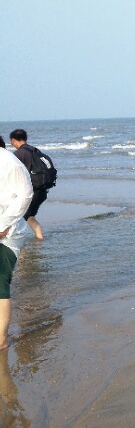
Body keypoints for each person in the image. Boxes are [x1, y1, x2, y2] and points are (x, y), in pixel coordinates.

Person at [0, 143, 33, 350]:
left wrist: (3, 225)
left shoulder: (9, 162)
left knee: (0, 281)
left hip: (7, 233)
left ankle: (1, 339)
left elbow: (26, 194)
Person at [9, 130, 46, 239]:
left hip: (32, 190)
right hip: (42, 190)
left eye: (12, 142)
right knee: (29, 216)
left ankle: (20, 244)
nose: (12, 144)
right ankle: (40, 238)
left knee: (17, 216)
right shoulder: (34, 150)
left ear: (14, 140)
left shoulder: (19, 153)